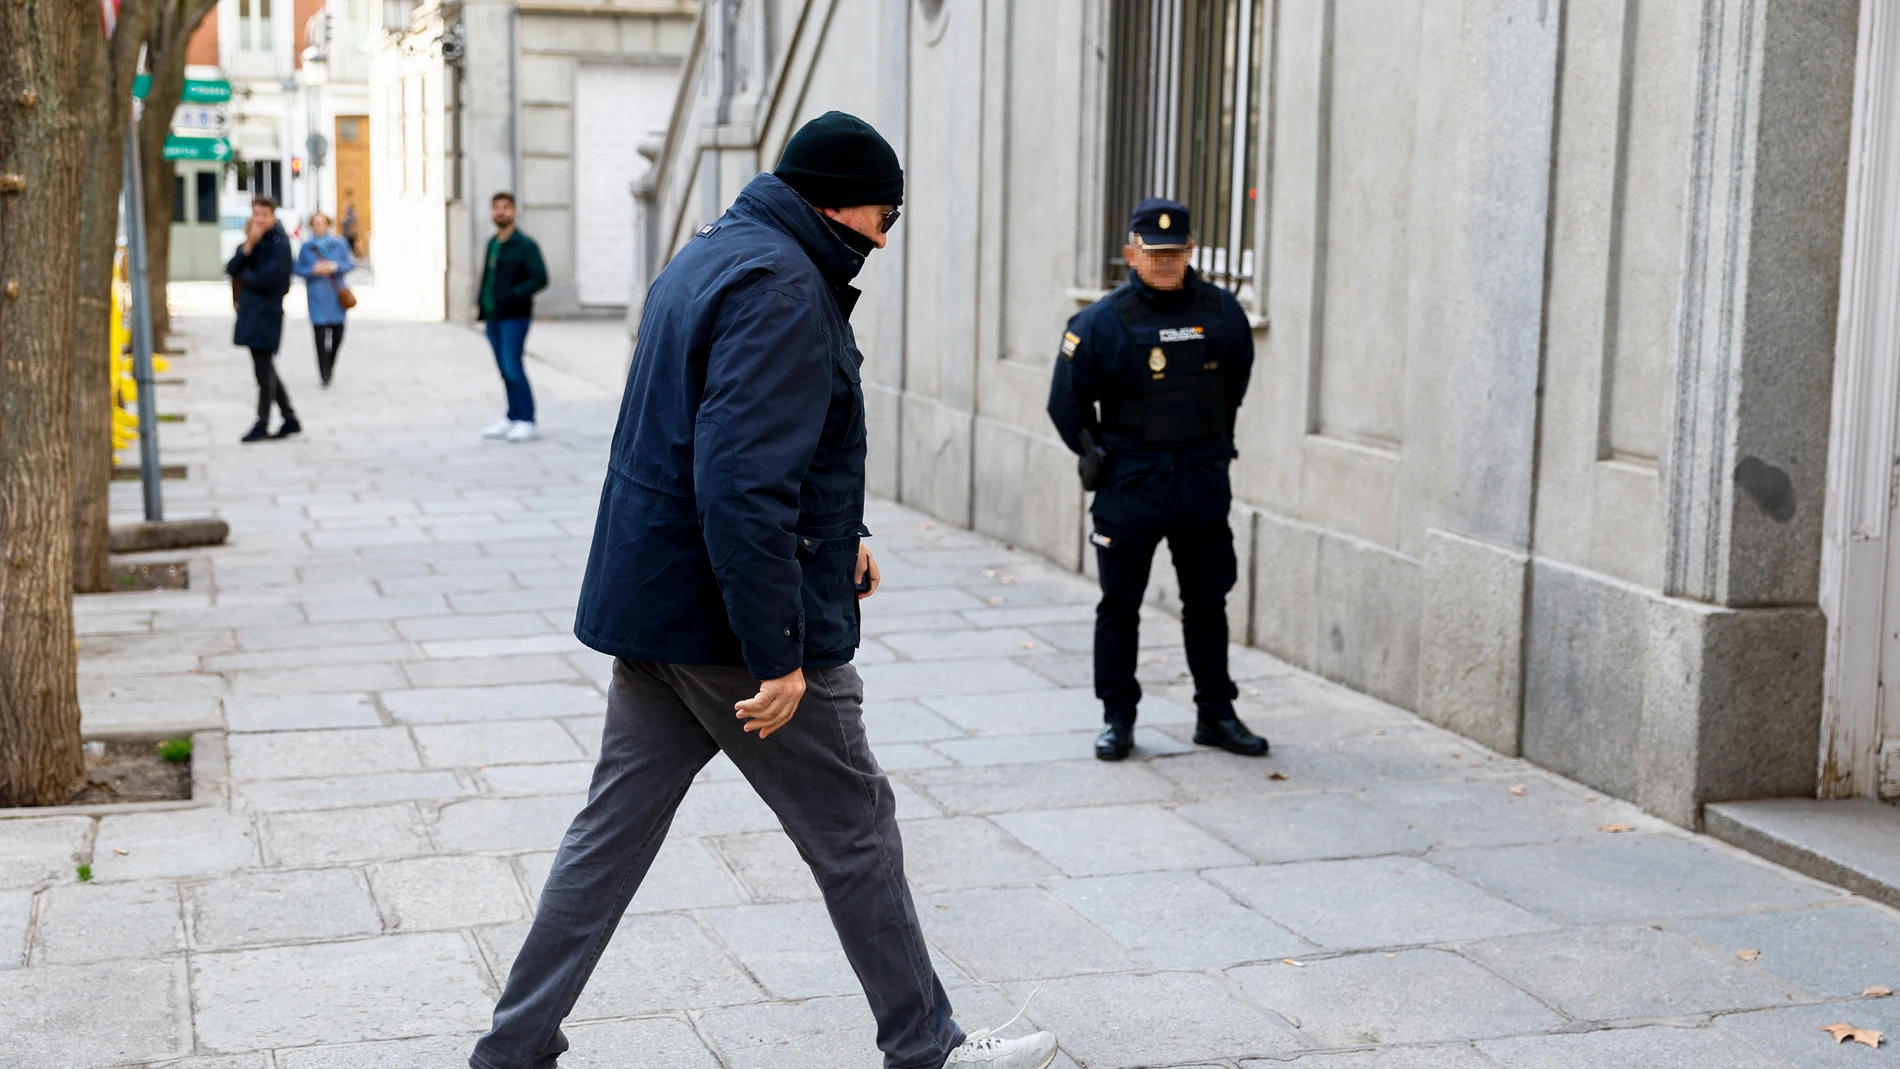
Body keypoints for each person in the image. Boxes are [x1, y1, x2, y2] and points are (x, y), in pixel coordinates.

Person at [469, 112, 1060, 1069]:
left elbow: (731, 440)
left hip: (658, 609)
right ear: (837, 201)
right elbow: (740, 481)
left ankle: (514, 1045)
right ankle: (927, 1046)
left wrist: (846, 537)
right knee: (855, 826)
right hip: (730, 626)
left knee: (607, 836)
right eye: (884, 214)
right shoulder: (786, 286)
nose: (884, 235)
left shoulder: (715, 251)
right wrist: (778, 652)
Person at [1047, 197, 1268, 762]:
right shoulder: (1099, 323)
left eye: (1176, 253)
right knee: (1120, 607)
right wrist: (1101, 457)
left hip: (1200, 484)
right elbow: (1065, 406)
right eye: (1154, 253)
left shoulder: (1223, 313)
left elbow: (1234, 388)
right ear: (1130, 254)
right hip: (1131, 488)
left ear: (1191, 252)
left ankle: (1215, 713)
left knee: (1208, 603)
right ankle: (1117, 718)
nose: (1166, 263)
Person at [476, 191, 548, 443]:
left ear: (514, 212)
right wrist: (482, 309)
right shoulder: (493, 243)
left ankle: (527, 420)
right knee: (504, 370)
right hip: (493, 318)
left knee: (513, 367)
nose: (500, 212)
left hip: (515, 317)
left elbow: (541, 277)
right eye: (496, 207)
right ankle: (512, 416)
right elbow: (487, 279)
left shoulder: (525, 245)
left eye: (505, 207)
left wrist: (514, 293)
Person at [226, 197, 299, 443]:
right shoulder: (253, 241)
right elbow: (232, 267)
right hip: (250, 313)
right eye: (256, 214)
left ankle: (262, 421)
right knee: (265, 367)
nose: (259, 220)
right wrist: (248, 247)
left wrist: (247, 276)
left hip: (267, 313)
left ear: (273, 216)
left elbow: (272, 278)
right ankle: (289, 418)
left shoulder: (279, 242)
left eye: (264, 215)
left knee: (264, 371)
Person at [293, 211, 354, 387]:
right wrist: (314, 270)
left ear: (328, 225)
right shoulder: (307, 247)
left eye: (322, 223)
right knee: (319, 337)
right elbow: (298, 269)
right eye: (316, 224)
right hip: (317, 297)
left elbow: (350, 263)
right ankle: (324, 372)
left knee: (338, 334)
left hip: (336, 296)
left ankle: (330, 363)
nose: (319, 227)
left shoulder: (339, 243)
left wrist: (334, 266)